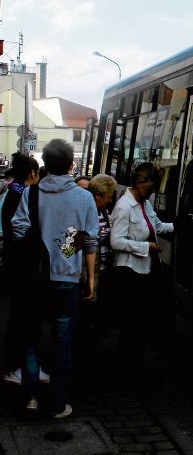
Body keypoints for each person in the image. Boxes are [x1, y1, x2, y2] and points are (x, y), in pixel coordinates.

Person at [11, 138, 99, 418]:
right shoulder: (84, 197)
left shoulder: (32, 193)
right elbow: (90, 240)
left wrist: (41, 240)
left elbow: (18, 228)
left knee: (30, 338)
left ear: (45, 165)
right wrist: (89, 276)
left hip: (35, 279)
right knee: (62, 343)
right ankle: (59, 404)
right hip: (67, 279)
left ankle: (31, 396)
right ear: (72, 164)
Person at [109, 162, 173, 384]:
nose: (152, 192)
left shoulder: (145, 204)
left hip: (145, 270)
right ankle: (126, 370)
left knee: (142, 323)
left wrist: (179, 225)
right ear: (139, 183)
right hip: (129, 272)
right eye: (150, 187)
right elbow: (116, 241)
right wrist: (146, 247)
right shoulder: (124, 206)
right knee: (132, 324)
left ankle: (133, 367)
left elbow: (157, 226)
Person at [1, 153, 50, 386]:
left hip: (17, 264)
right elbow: (18, 230)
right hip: (22, 266)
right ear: (33, 174)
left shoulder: (14, 190)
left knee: (22, 318)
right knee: (22, 319)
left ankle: (23, 366)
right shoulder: (22, 194)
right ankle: (14, 367)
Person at [75, 174, 117, 357]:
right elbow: (68, 248)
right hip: (86, 278)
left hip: (102, 274)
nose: (110, 200)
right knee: (83, 324)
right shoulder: (82, 213)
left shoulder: (103, 212)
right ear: (97, 196)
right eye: (108, 196)